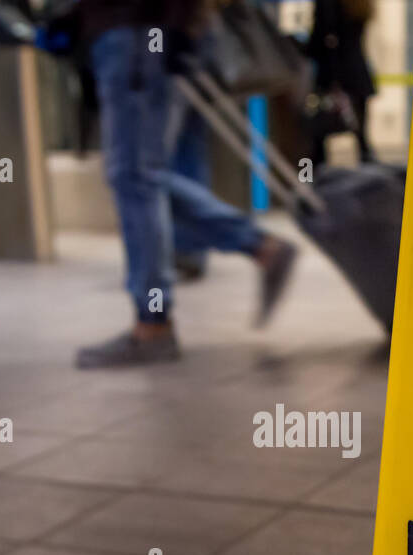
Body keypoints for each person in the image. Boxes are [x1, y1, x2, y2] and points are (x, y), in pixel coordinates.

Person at [73, 0, 298, 368]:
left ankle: (153, 325)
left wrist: (174, 22)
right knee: (143, 178)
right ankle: (260, 246)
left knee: (136, 179)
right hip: (140, 31)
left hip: (141, 30)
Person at [307, 0, 376, 164]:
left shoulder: (328, 4)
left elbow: (319, 40)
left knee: (318, 140)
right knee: (361, 139)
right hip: (357, 74)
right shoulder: (359, 5)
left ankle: (311, 182)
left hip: (334, 77)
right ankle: (370, 183)